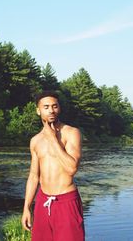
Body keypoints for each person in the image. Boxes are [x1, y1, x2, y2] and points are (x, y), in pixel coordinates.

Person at [21, 91, 85, 241]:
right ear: (38, 110)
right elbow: (33, 176)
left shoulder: (71, 133)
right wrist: (26, 208)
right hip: (43, 202)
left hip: (66, 202)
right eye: (46, 107)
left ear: (59, 108)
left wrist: (53, 139)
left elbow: (71, 169)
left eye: (54, 106)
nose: (51, 110)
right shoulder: (35, 141)